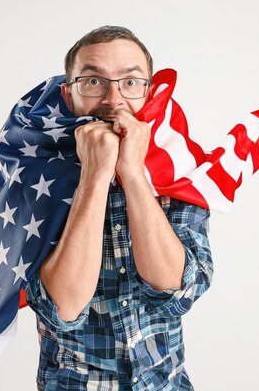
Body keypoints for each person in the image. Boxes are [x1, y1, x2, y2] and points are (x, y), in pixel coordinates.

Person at [25, 25, 213, 391]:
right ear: (69, 95)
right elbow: (61, 310)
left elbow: (177, 292)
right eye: (93, 81)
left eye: (130, 82)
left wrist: (131, 173)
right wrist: (94, 178)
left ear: (149, 91)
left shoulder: (179, 166)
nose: (114, 99)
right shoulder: (35, 178)